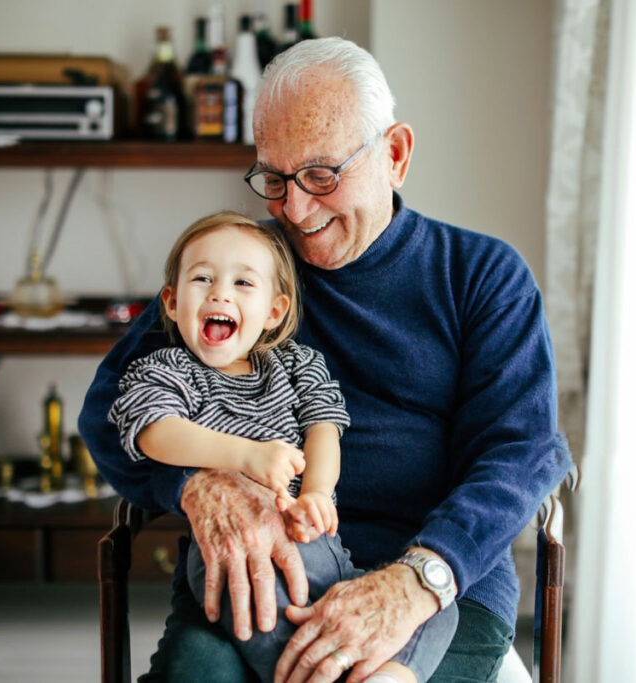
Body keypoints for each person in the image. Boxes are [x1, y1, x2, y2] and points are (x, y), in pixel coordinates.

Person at [80, 36, 571, 682]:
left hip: (434, 583)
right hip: (259, 572)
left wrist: (414, 581)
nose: (296, 211)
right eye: (274, 180)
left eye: (320, 175)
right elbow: (110, 409)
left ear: (394, 155)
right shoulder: (243, 270)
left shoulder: (482, 275)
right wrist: (196, 482)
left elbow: (522, 450)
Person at [106, 211, 457, 683]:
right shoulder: (169, 370)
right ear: (171, 302)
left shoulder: (296, 364)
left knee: (437, 607)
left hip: (323, 549)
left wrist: (315, 491)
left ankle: (390, 676)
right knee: (256, 607)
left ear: (274, 311)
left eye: (243, 283)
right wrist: (246, 456)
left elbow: (324, 429)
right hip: (235, 553)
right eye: (203, 278)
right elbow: (154, 431)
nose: (220, 293)